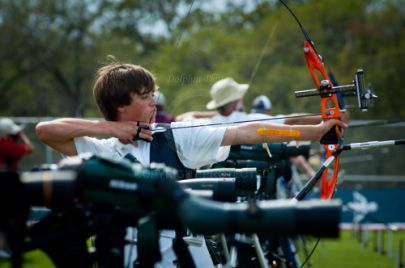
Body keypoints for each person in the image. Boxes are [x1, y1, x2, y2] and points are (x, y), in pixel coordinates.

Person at [35, 59, 346, 267]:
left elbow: (247, 132)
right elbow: (45, 131)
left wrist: (313, 131)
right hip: (119, 255)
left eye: (153, 94)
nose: (153, 102)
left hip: (181, 253)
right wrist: (110, 129)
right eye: (145, 96)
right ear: (120, 105)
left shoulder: (176, 136)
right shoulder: (97, 149)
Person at [176, 77, 323, 126]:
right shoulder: (250, 120)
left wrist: (215, 114)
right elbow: (293, 119)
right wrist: (327, 117)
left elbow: (182, 117)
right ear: (235, 102)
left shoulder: (209, 123)